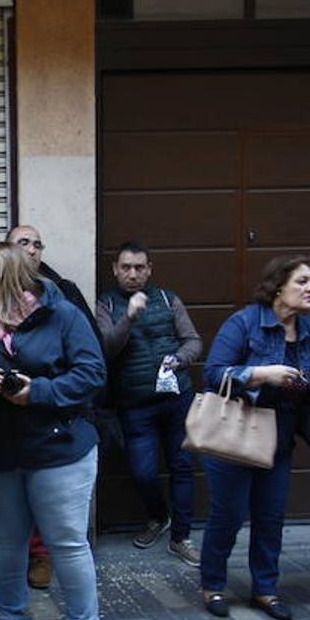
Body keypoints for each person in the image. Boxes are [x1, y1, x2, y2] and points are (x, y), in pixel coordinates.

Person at [0, 242, 107, 620]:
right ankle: (9, 613)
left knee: (66, 542)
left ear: (2, 276)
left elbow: (92, 374)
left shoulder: (62, 314)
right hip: (1, 450)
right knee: (5, 540)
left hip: (59, 448)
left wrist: (38, 392)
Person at [198, 255, 310, 620]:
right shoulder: (244, 323)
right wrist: (262, 374)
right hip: (236, 436)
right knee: (228, 515)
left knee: (271, 516)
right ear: (279, 286)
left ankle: (265, 588)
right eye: (303, 281)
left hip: (280, 436)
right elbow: (214, 374)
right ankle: (212, 584)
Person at [7, 223, 104, 589]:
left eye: (36, 244)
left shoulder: (64, 296)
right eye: (22, 243)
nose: (31, 250)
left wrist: (43, 391)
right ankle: (11, 603)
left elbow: (91, 363)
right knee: (8, 529)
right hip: (6, 432)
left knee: (64, 528)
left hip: (56, 423)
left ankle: (46, 559)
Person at [95, 241, 203, 564]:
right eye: (125, 267)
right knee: (143, 472)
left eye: (139, 267)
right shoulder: (107, 304)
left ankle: (181, 537)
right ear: (115, 269)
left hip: (177, 398)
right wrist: (129, 318)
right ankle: (158, 516)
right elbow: (108, 348)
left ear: (149, 269)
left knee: (182, 467)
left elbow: (193, 340)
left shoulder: (169, 299)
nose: (132, 274)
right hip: (135, 403)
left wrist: (181, 358)